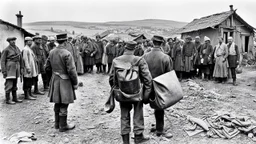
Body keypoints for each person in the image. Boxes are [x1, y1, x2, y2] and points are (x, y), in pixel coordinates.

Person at [109, 41, 152, 144]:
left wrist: (118, 90)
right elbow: (148, 79)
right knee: (138, 114)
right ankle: (138, 138)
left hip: (122, 93)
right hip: (137, 93)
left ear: (125, 48)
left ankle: (125, 141)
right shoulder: (139, 60)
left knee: (124, 115)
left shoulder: (116, 61)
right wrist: (146, 94)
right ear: (135, 49)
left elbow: (111, 79)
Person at [45, 33, 78, 132]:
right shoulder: (67, 53)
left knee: (57, 102)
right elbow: (71, 71)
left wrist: (53, 77)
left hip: (55, 79)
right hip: (65, 80)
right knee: (64, 103)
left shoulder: (51, 52)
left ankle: (57, 124)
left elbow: (47, 67)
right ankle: (63, 126)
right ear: (66, 41)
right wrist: (75, 83)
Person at [143, 35, 173, 138]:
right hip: (160, 87)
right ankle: (160, 130)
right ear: (162, 44)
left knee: (154, 107)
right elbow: (169, 75)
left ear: (152, 42)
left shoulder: (145, 56)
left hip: (147, 87)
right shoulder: (165, 57)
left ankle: (153, 128)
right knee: (160, 107)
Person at [1, 37, 23, 104]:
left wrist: (21, 67)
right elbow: (2, 61)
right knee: (9, 83)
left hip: (16, 67)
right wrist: (4, 71)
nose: (13, 41)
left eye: (14, 40)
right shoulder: (6, 50)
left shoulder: (17, 48)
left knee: (14, 83)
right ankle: (8, 99)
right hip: (9, 68)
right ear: (9, 42)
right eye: (11, 40)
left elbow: (20, 58)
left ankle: (15, 98)